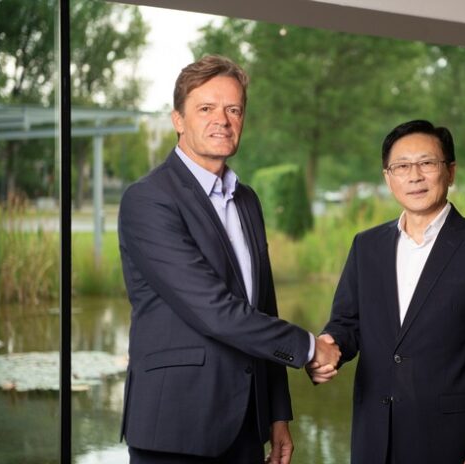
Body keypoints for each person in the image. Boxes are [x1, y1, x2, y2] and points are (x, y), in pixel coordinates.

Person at [118, 55, 340, 464]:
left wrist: (276, 415)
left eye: (233, 109)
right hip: (175, 430)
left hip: (245, 427)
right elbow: (213, 309)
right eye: (206, 108)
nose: (222, 120)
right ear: (178, 120)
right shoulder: (148, 199)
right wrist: (309, 348)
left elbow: (263, 307)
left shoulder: (247, 200)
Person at [308, 120, 465, 463]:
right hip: (374, 438)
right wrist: (328, 347)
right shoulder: (366, 246)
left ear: (450, 171)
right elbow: (347, 323)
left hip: (449, 442)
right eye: (402, 166)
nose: (414, 176)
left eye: (427, 163)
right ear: (387, 177)